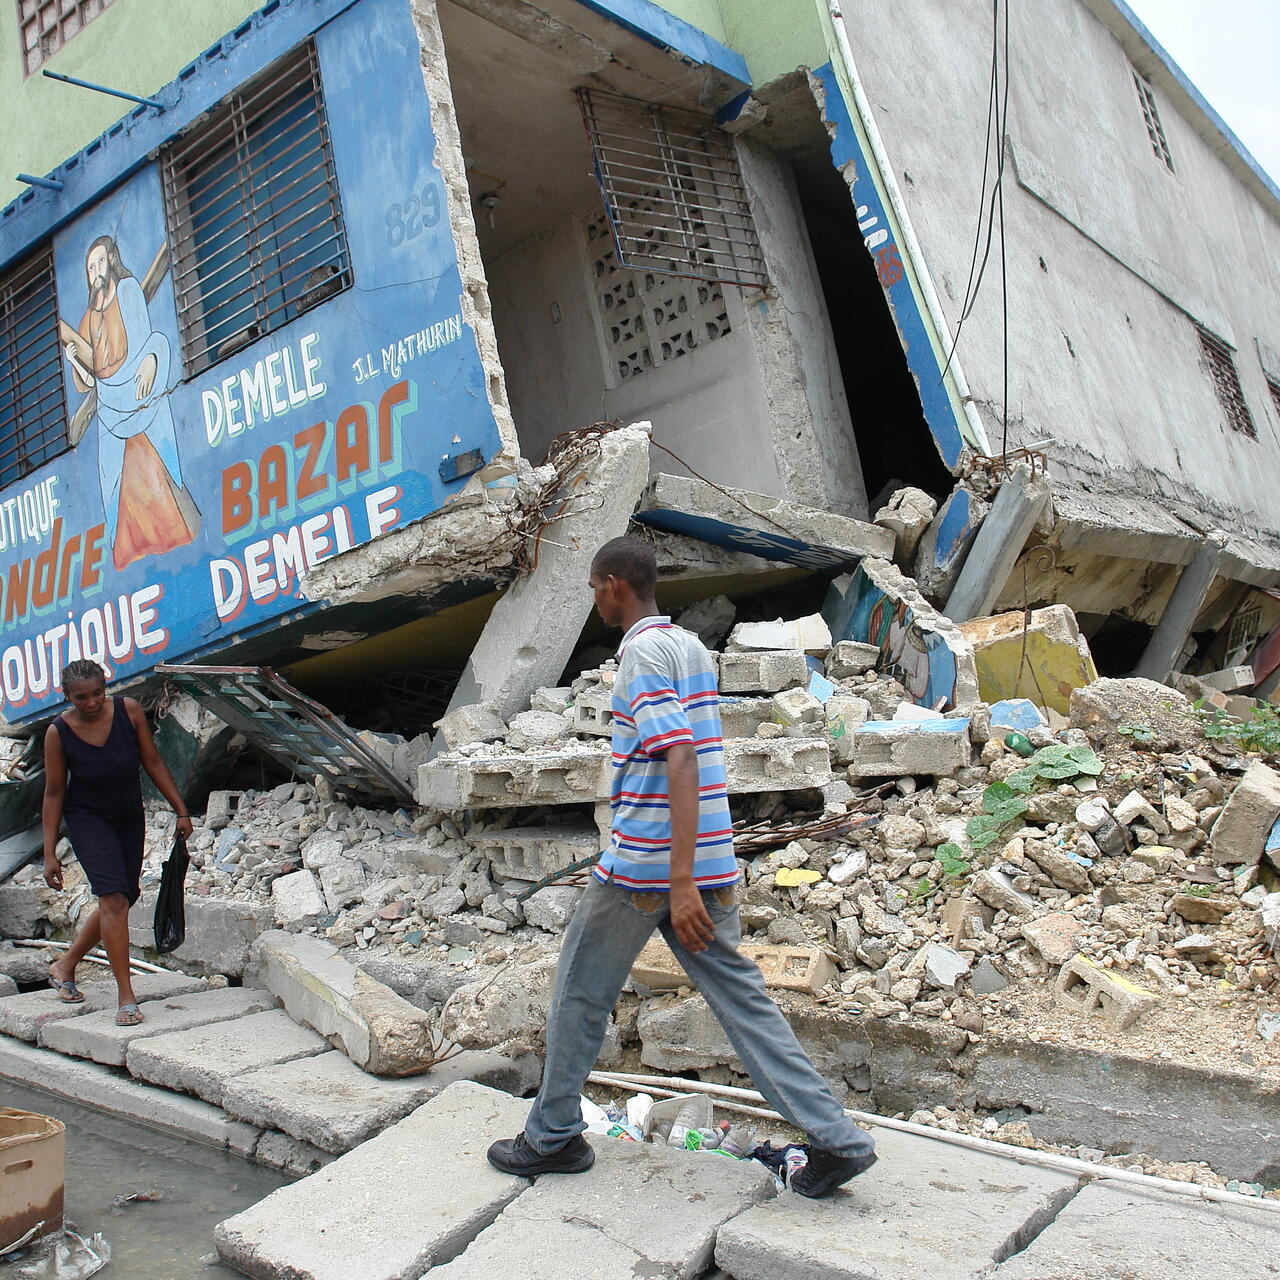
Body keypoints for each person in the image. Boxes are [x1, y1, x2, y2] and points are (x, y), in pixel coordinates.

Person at [487, 537, 877, 1197]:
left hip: (646, 870)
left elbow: (681, 760)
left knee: (580, 994)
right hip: (709, 858)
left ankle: (551, 1137)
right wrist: (697, 873)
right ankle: (838, 1141)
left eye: (593, 587)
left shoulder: (640, 653)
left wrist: (680, 882)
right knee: (742, 1002)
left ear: (613, 585)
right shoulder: (691, 649)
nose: (594, 599)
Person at [42, 660, 193, 1026]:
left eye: (97, 693)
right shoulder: (58, 733)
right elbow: (53, 792)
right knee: (111, 897)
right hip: (87, 818)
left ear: (105, 687)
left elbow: (153, 760)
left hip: (128, 815)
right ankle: (126, 997)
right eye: (81, 698)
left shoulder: (128, 711)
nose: (91, 703)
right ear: (67, 696)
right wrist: (49, 853)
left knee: (125, 896)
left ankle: (65, 964)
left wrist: (181, 809)